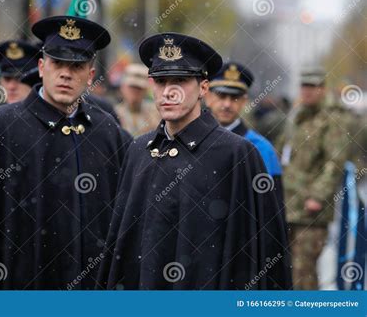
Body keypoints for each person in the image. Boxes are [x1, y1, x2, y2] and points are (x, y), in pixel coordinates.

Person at [0, 16, 131, 290]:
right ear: (41, 67)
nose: (65, 73)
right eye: (57, 63)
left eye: (77, 66)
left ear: (91, 74)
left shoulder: (108, 133)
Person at [97, 33, 291, 290]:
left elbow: (262, 253)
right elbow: (121, 251)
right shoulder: (139, 151)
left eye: (180, 80)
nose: (169, 92)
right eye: (161, 81)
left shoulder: (238, 155)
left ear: (203, 87)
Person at [276, 66, 350, 290]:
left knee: (303, 272)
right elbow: (281, 154)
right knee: (286, 270)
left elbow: (335, 163)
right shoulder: (298, 118)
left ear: (322, 89)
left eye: (313, 86)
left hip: (311, 213)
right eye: (305, 86)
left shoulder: (332, 120)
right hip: (288, 207)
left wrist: (318, 196)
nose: (307, 91)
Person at [205, 62, 284, 215]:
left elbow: (269, 211)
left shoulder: (261, 149)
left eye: (234, 97)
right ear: (207, 96)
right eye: (221, 96)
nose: (227, 104)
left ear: (244, 101)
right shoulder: (191, 143)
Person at [0, 40, 41, 104]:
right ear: (1, 81)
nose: (11, 87)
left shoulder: (49, 112)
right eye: (7, 79)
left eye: (19, 79)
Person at [115, 63, 160, 136]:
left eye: (139, 88)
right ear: (122, 87)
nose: (135, 92)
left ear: (145, 90)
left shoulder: (157, 113)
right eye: (132, 87)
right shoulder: (115, 113)